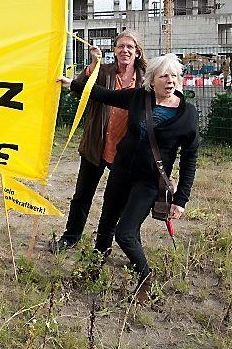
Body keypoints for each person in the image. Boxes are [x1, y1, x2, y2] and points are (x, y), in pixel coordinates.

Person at [58, 51, 199, 304]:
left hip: (149, 182)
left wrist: (181, 199)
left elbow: (190, 158)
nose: (170, 80)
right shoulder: (138, 97)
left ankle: (145, 277)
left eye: (175, 76)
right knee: (105, 224)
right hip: (121, 172)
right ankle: (93, 270)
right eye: (164, 75)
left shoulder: (187, 115)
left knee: (125, 233)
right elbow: (105, 95)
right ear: (152, 79)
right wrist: (74, 84)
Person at [52, 31, 146, 253]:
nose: (125, 50)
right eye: (120, 46)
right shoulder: (103, 72)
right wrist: (94, 62)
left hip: (126, 151)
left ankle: (126, 243)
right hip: (97, 143)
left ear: (137, 52)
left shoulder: (146, 78)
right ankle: (71, 237)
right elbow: (81, 88)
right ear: (114, 50)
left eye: (129, 47)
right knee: (82, 196)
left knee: (120, 203)